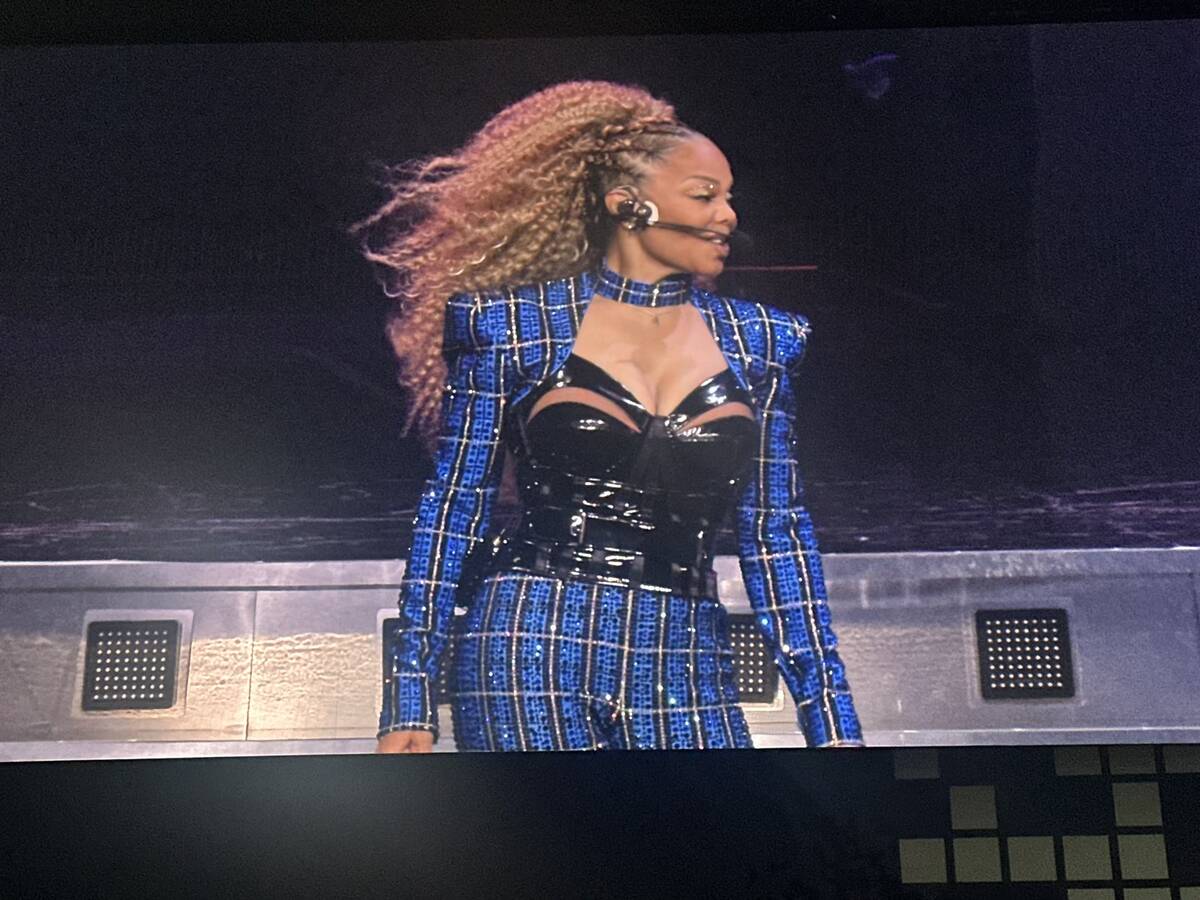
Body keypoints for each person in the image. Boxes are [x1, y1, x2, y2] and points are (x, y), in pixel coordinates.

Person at [352, 80, 863, 752]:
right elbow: (454, 508)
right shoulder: (515, 329)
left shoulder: (761, 341)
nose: (728, 216)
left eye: (729, 196)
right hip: (529, 642)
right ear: (627, 205)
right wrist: (409, 694)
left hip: (684, 650)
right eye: (704, 196)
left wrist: (831, 719)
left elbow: (776, 533)